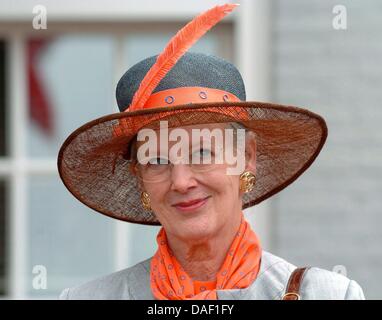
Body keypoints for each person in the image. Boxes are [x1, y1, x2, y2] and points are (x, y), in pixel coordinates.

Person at [57, 4, 365, 300]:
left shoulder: (329, 295)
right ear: (139, 177)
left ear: (246, 156)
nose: (181, 181)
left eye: (201, 153)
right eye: (157, 160)